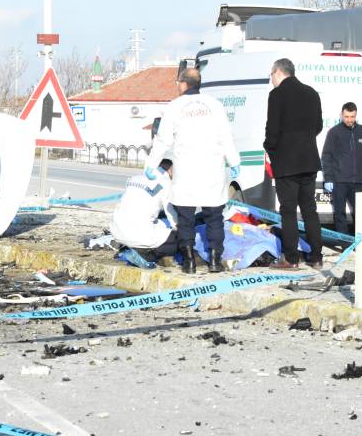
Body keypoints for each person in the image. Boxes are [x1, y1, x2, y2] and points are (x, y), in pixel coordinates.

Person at [146, 68, 240, 274]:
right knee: (214, 217)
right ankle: (215, 260)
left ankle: (189, 261)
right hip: (212, 170)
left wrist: (151, 165)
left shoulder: (174, 106)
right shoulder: (215, 105)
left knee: (185, 218)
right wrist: (234, 161)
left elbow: (163, 140)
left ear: (183, 83)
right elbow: (226, 136)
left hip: (186, 170)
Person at [263, 58, 323, 269]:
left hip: (286, 162)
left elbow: (273, 129)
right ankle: (316, 256)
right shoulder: (311, 93)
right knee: (309, 210)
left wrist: (270, 148)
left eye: (271, 74)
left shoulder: (277, 95)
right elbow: (318, 126)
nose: (271, 79)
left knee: (288, 211)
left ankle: (290, 257)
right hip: (309, 160)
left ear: (278, 72)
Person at [110, 159, 178, 267]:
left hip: (116, 230)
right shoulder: (166, 183)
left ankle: (127, 249)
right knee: (176, 242)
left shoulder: (135, 178)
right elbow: (171, 214)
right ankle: (144, 256)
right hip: (139, 234)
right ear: (170, 170)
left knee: (155, 223)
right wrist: (180, 228)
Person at [321, 101, 362, 239]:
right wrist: (328, 178)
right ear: (341, 115)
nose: (349, 120)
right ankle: (344, 243)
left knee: (360, 214)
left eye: (352, 117)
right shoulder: (334, 132)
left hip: (357, 181)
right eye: (346, 116)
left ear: (356, 115)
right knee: (340, 214)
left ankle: (361, 243)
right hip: (339, 181)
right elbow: (327, 156)